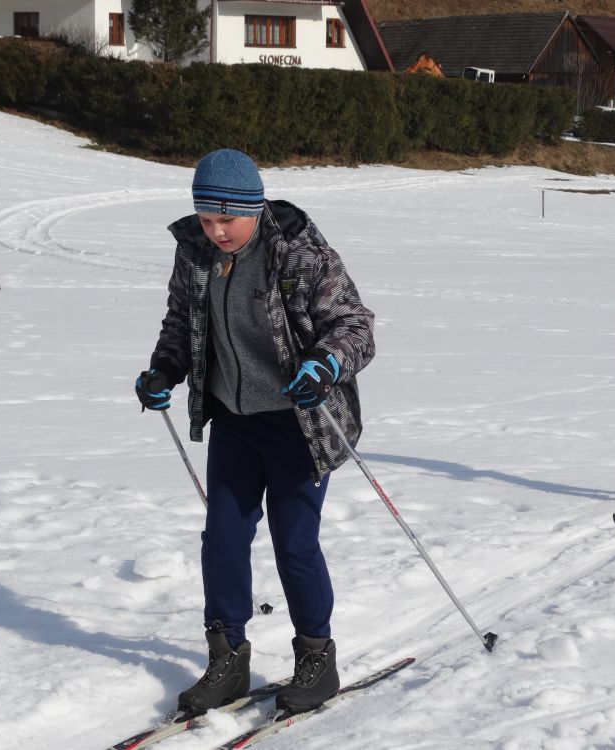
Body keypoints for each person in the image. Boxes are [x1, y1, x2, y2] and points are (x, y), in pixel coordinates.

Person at [135, 149, 375, 718]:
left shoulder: (299, 252)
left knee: (294, 543)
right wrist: (164, 370)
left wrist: (325, 364)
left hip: (301, 423)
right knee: (222, 536)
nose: (216, 231)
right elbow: (181, 322)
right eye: (206, 219)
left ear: (254, 208)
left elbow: (355, 327)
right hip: (235, 421)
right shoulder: (194, 252)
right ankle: (228, 659)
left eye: (228, 220)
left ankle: (317, 658)